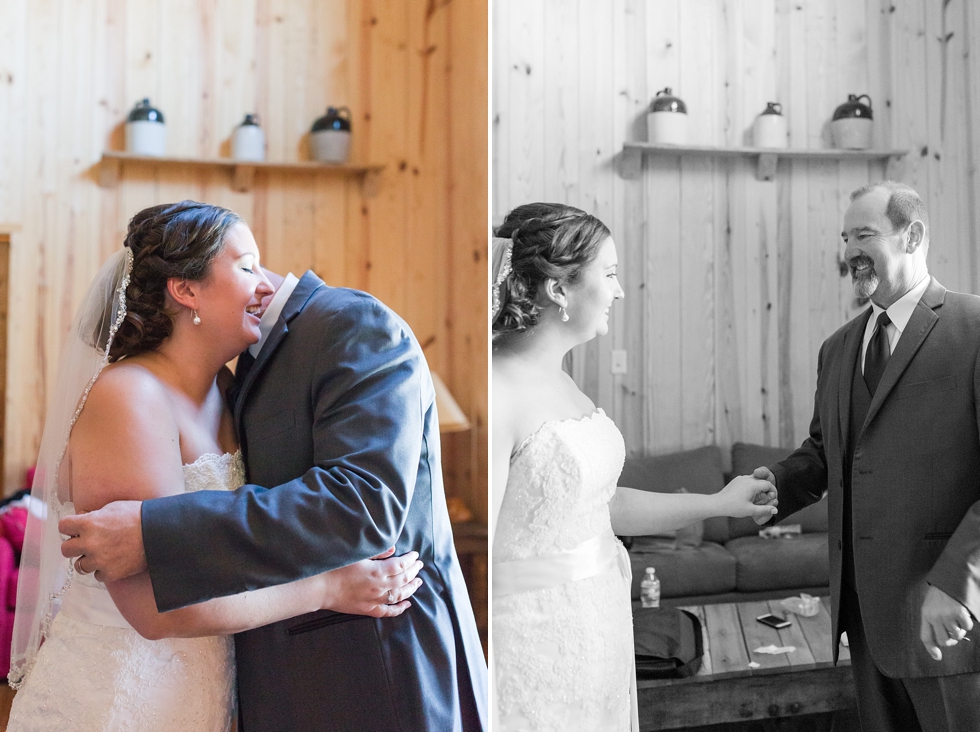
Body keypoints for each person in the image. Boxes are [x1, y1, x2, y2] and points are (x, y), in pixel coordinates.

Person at [59, 213, 488, 731]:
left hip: (217, 687)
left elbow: (360, 499)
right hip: (128, 695)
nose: (269, 285)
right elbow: (153, 609)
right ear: (186, 290)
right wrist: (328, 589)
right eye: (246, 267)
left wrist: (155, 532)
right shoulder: (129, 395)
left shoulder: (227, 387)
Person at [491, 202, 778, 732]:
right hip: (533, 639)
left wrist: (719, 503)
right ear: (559, 288)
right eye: (610, 274)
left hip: (596, 622)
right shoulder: (496, 388)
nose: (620, 292)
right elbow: (468, 553)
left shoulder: (561, 380)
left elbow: (602, 506)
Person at [752, 181, 980, 730]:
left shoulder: (974, 329)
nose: (850, 250)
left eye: (865, 235)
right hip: (862, 618)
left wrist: (959, 583)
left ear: (913, 235)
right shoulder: (837, 348)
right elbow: (826, 452)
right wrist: (775, 485)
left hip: (946, 616)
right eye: (845, 238)